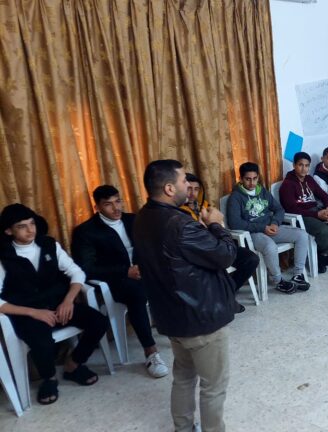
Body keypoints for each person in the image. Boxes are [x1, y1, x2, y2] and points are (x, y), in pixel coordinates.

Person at [133, 159, 238, 432]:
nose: (187, 186)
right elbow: (225, 255)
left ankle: (183, 428)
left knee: (183, 376)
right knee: (213, 386)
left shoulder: (142, 217)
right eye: (183, 181)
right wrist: (216, 225)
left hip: (171, 315)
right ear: (169, 188)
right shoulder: (180, 224)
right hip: (201, 317)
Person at [0, 204, 108, 405]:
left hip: (59, 305)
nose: (30, 230)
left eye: (32, 223)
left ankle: (73, 365)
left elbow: (76, 272)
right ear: (8, 231)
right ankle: (48, 379)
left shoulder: (49, 244)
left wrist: (68, 301)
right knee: (42, 342)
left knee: (99, 322)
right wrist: (33, 312)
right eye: (22, 226)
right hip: (27, 312)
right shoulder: (3, 256)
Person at [71, 185, 169, 378]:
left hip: (142, 272)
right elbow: (86, 268)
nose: (116, 208)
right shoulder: (86, 231)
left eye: (118, 201)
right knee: (136, 293)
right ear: (97, 207)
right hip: (114, 281)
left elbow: (151, 247)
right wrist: (125, 271)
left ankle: (180, 329)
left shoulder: (133, 219)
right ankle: (151, 352)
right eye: (108, 204)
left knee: (174, 276)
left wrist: (147, 266)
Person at [178, 172, 260, 308]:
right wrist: (206, 224)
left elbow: (219, 225)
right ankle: (225, 298)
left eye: (196, 189)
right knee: (216, 266)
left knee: (251, 259)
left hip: (218, 245)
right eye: (189, 189)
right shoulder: (179, 211)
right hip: (201, 251)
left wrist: (213, 224)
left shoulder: (204, 205)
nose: (192, 193)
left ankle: (226, 294)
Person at [226, 162, 310, 294]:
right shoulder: (236, 197)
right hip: (253, 233)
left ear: (258, 177)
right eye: (248, 179)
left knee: (302, 235)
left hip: (270, 228)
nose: (252, 183)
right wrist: (262, 227)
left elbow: (279, 209)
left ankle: (298, 275)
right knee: (270, 246)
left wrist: (275, 223)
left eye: (255, 178)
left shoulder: (262, 191)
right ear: (241, 179)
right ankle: (278, 281)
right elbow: (235, 223)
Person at [279, 152, 328, 274]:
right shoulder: (287, 184)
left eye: (307, 165)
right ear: (294, 165)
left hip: (317, 211)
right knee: (324, 231)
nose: (304, 169)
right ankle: (320, 256)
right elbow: (291, 209)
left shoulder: (309, 179)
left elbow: (325, 196)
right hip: (301, 217)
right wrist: (317, 215)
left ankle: (323, 254)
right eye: (300, 165)